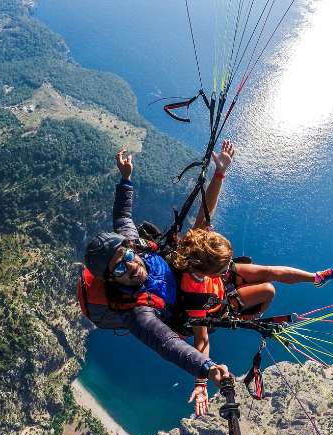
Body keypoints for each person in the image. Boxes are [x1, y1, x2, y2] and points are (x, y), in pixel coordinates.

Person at [168, 141, 333, 414]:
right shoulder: (195, 296)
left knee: (269, 273)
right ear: (208, 269)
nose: (230, 265)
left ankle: (316, 277)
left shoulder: (194, 244)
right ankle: (242, 316)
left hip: (217, 284)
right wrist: (201, 379)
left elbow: (206, 209)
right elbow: (201, 341)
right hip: (218, 301)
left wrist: (220, 173)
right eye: (224, 264)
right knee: (268, 292)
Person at [79, 145, 233, 402]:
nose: (129, 264)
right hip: (181, 306)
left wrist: (125, 178)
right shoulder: (138, 313)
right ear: (110, 279)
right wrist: (208, 369)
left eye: (127, 257)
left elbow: (122, 217)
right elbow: (168, 345)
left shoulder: (134, 245)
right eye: (119, 267)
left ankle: (220, 173)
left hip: (173, 275)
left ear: (130, 249)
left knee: (199, 235)